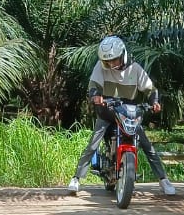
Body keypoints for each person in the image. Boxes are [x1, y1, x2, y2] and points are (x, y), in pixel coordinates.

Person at [68, 36, 176, 196]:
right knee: (93, 144)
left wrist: (155, 102)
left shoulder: (136, 69)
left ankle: (163, 180)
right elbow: (94, 85)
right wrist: (95, 96)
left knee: (148, 147)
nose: (111, 64)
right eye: (108, 62)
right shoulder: (101, 67)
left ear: (123, 54)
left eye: (115, 60)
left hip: (129, 114)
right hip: (107, 113)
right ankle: (76, 178)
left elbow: (150, 89)